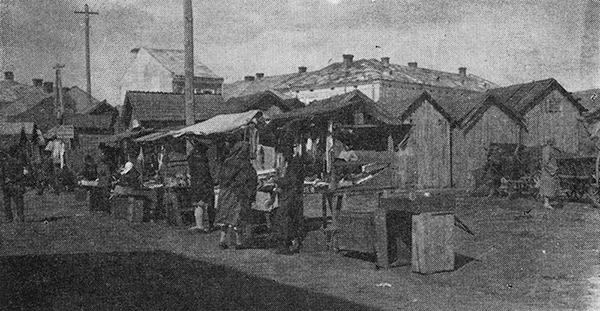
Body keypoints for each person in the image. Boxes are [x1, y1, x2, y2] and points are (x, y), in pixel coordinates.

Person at [215, 141, 257, 249]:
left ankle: (222, 241)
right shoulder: (245, 164)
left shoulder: (227, 162)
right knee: (237, 218)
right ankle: (239, 243)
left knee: (225, 217)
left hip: (225, 193)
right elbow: (249, 179)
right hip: (238, 194)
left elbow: (221, 177)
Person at [272, 148, 306, 255]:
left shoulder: (294, 163)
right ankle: (292, 243)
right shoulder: (293, 162)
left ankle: (286, 245)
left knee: (285, 219)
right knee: (290, 220)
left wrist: (277, 180)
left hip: (291, 195)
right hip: (292, 195)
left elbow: (290, 180)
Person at [188, 143, 215, 232]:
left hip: (199, 182)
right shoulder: (203, 159)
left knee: (200, 203)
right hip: (204, 182)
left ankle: (201, 225)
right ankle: (206, 225)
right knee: (205, 203)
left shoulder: (194, 158)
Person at [1, 146, 28, 222]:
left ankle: (9, 218)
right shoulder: (18, 163)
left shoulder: (5, 162)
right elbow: (22, 175)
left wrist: (4, 182)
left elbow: (2, 174)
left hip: (7, 185)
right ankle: (20, 217)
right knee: (18, 202)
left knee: (7, 203)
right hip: (15, 185)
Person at [540, 138, 560, 209]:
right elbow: (546, 162)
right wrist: (553, 169)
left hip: (549, 171)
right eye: (553, 141)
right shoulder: (547, 149)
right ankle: (546, 203)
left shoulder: (549, 149)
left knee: (550, 186)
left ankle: (547, 202)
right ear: (550, 142)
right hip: (548, 171)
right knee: (547, 186)